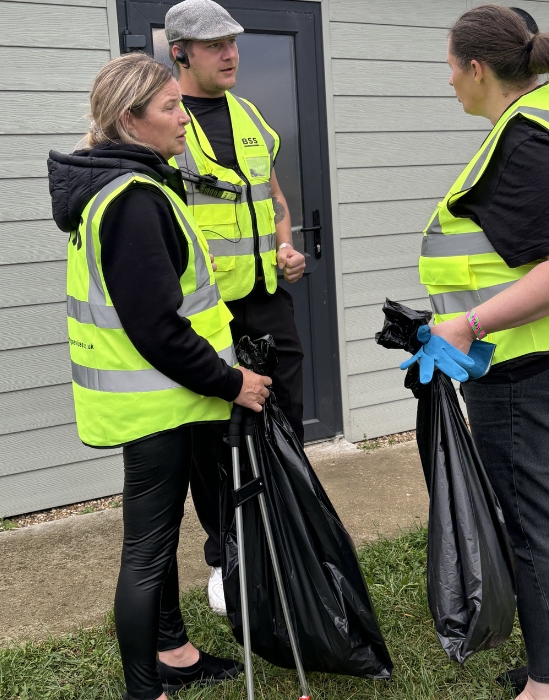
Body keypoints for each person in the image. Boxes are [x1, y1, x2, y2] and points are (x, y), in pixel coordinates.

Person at [417, 6, 549, 700]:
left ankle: (547, 689)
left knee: (534, 522)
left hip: (531, 364)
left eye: (451, 66)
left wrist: (468, 324)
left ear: (477, 69)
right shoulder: (541, 117)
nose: (447, 80)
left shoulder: (527, 138)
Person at [48, 52, 272, 700]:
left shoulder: (128, 186)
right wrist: (233, 383)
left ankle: (173, 652)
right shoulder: (130, 199)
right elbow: (156, 327)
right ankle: (145, 690)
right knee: (146, 552)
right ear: (130, 119)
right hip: (157, 406)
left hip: (164, 401)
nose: (182, 118)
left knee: (159, 541)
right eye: (170, 107)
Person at [163, 0, 307, 614]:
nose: (229, 54)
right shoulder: (162, 121)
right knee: (213, 441)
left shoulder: (249, 114)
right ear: (180, 53)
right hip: (205, 314)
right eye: (213, 45)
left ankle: (285, 539)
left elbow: (273, 197)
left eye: (233, 42)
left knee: (285, 420)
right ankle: (226, 558)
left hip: (267, 302)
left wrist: (286, 245)